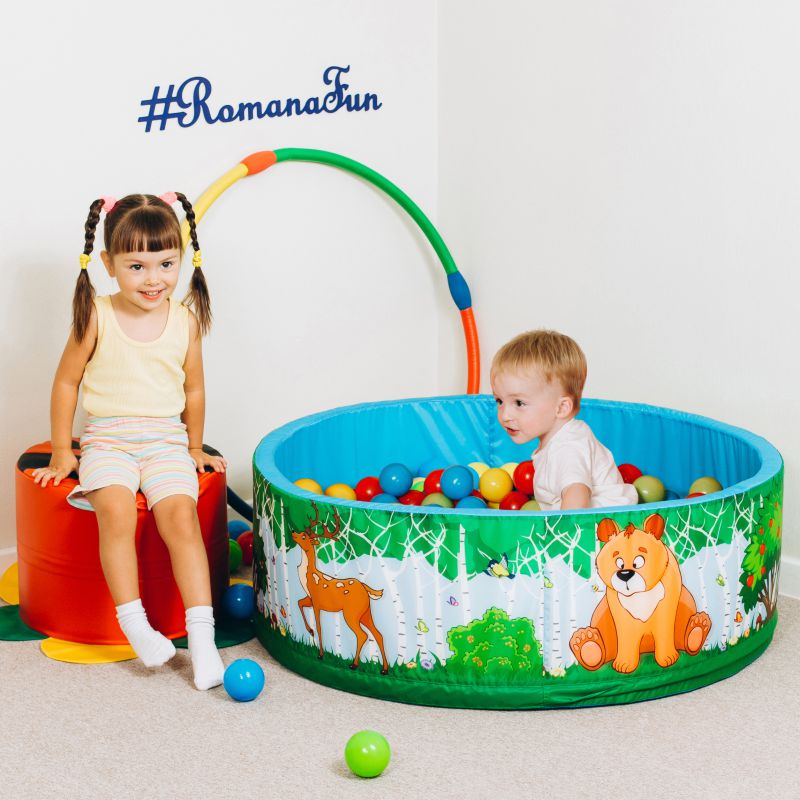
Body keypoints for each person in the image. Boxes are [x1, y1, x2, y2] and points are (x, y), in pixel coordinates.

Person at [32, 192, 228, 690]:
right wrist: (62, 450)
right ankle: (135, 624)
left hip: (165, 441)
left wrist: (194, 446)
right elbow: (66, 382)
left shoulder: (184, 320)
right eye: (137, 266)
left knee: (180, 518)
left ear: (181, 260)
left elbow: (194, 389)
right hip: (108, 442)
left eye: (166, 264)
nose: (153, 279)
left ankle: (202, 639)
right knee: (116, 513)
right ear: (108, 264)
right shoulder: (96, 315)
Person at [491, 329, 638, 511]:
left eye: (519, 403)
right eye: (499, 401)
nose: (505, 415)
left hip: (605, 525)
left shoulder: (567, 446)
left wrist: (560, 529)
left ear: (561, 408)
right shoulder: (560, 438)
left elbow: (577, 497)